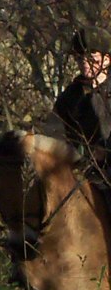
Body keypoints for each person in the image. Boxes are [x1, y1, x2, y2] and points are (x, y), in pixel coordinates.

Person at [42, 27, 111, 194]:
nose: (84, 63)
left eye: (90, 57)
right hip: (89, 171)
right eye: (79, 58)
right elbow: (54, 134)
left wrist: (106, 150)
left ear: (107, 59)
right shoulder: (70, 97)